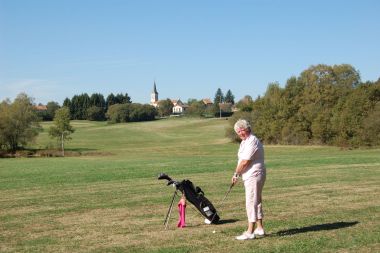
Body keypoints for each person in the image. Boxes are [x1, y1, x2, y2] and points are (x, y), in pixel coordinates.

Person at [232, 119, 266, 240]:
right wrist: (237, 174)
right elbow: (241, 160)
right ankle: (259, 228)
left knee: (251, 202)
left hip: (254, 175)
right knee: (256, 200)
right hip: (250, 175)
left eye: (242, 130)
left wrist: (236, 174)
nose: (240, 133)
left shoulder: (252, 141)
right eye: (238, 131)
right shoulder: (244, 142)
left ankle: (250, 232)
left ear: (248, 129)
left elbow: (245, 161)